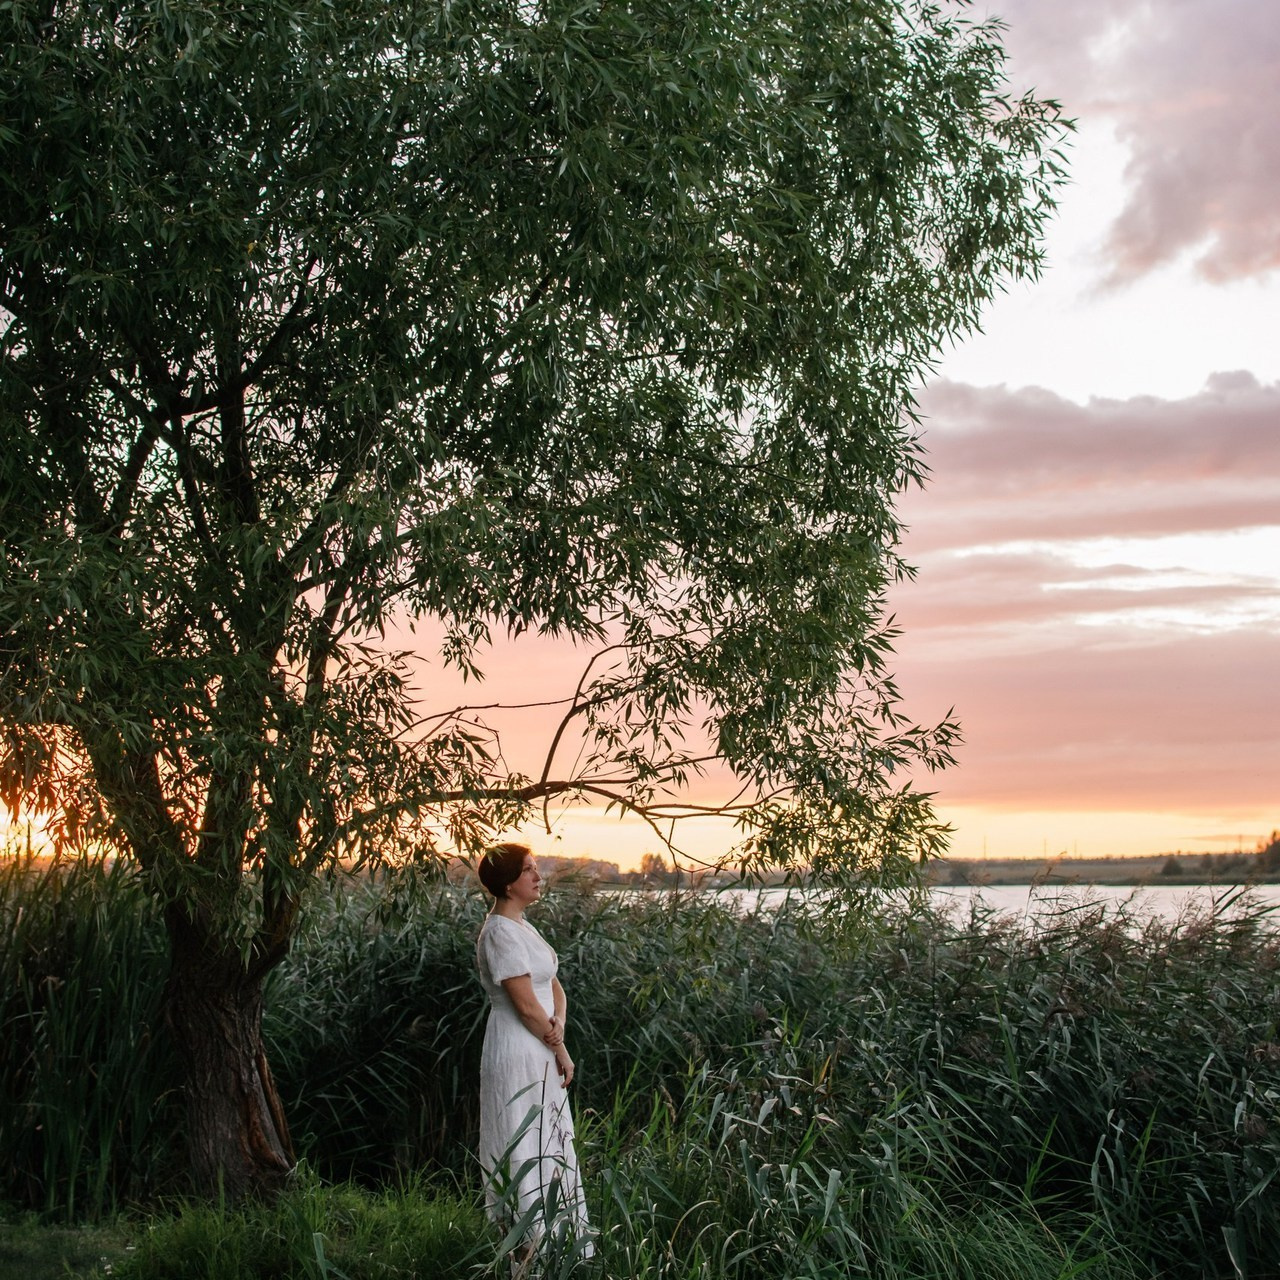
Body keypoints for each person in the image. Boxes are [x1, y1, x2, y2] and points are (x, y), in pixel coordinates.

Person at [475, 842, 592, 1261]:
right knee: (524, 1140)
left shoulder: (522, 926)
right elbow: (525, 1004)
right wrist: (559, 1048)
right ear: (508, 884)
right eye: (529, 870)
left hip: (541, 1040)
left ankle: (555, 1251)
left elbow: (551, 983)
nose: (538, 876)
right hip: (520, 1048)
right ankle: (524, 1255)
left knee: (549, 1141)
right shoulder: (500, 932)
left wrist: (559, 1022)